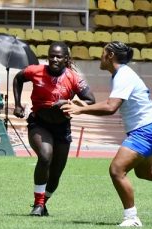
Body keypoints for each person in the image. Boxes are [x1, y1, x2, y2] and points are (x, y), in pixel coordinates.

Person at [62, 41, 152, 227]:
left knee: (116, 170)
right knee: (147, 173)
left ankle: (132, 218)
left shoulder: (123, 75)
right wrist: (87, 106)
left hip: (144, 131)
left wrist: (80, 111)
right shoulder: (121, 75)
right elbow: (112, 102)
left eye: (103, 52)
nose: (100, 56)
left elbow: (111, 107)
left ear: (111, 55)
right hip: (149, 128)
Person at [12, 41, 96, 216]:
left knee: (56, 173)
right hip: (39, 123)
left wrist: (68, 103)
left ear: (66, 59)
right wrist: (18, 104)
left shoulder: (73, 78)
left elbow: (90, 100)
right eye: (51, 56)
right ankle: (37, 204)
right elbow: (18, 78)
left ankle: (43, 203)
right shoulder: (36, 71)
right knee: (45, 156)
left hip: (62, 127)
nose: (54, 59)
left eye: (58, 56)